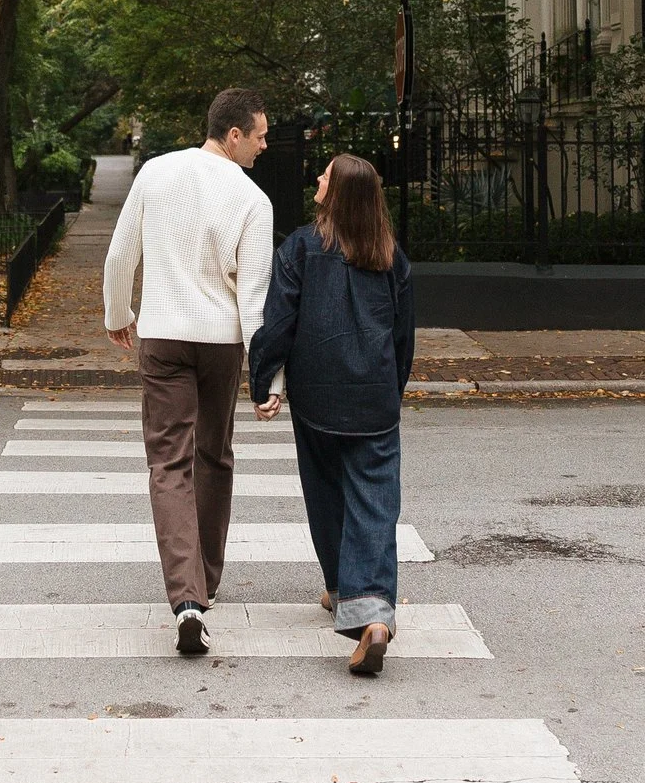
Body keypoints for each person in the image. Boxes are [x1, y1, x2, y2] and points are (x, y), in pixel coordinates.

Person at [102, 87, 276, 656]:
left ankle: (187, 599)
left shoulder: (155, 173)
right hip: (221, 341)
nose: (264, 145)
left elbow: (121, 253)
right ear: (233, 136)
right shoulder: (254, 201)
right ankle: (208, 577)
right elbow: (255, 302)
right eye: (260, 135)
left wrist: (117, 313)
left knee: (168, 463)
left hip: (163, 335)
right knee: (214, 454)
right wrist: (267, 377)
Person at [247, 152, 413, 677]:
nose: (317, 178)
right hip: (375, 397)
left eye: (325, 175)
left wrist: (263, 378)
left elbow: (279, 322)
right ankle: (371, 610)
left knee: (325, 492)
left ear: (337, 192)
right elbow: (403, 336)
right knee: (375, 500)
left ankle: (347, 591)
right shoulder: (391, 255)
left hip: (318, 396)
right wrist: (393, 388)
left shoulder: (300, 247)